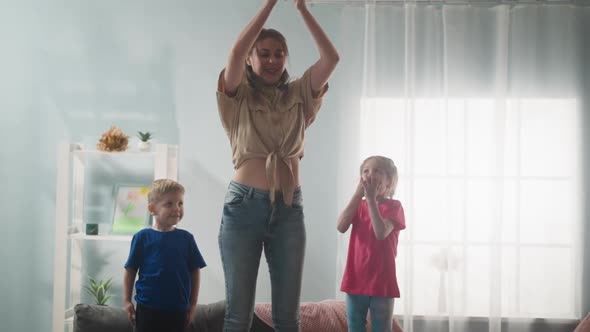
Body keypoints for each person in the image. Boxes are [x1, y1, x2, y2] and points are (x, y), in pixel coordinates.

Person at [216, 0, 339, 330]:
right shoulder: (237, 95)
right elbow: (234, 53)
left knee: (288, 317)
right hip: (243, 207)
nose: (272, 59)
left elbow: (331, 59)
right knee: (237, 316)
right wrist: (270, 4)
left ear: (286, 57)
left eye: (279, 52)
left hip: (288, 209)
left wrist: (301, 8)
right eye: (264, 53)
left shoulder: (300, 93)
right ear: (251, 58)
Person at [123, 179, 207, 332]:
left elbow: (195, 271)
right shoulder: (142, 237)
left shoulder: (186, 239)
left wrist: (193, 304)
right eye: (169, 204)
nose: (176, 208)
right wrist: (127, 300)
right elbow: (130, 269)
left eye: (180, 203)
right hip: (147, 309)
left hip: (178, 310)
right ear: (152, 208)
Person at [337, 156, 406, 332]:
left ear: (389, 181)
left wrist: (370, 201)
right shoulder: (358, 206)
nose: (371, 174)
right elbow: (341, 226)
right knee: (355, 328)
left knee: (382, 328)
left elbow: (381, 233)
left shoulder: (394, 207)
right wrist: (358, 195)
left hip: (382, 281)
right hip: (355, 280)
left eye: (378, 171)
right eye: (366, 171)